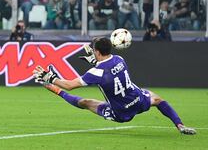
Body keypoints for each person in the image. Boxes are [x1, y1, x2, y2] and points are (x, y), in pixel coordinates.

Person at [33, 37, 196, 135]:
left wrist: (51, 77)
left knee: (85, 102)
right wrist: (96, 61)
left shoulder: (95, 72)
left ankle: (53, 88)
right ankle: (180, 125)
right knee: (158, 100)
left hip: (121, 112)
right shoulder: (119, 59)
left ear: (97, 52)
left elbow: (69, 85)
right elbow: (108, 66)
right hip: (138, 101)